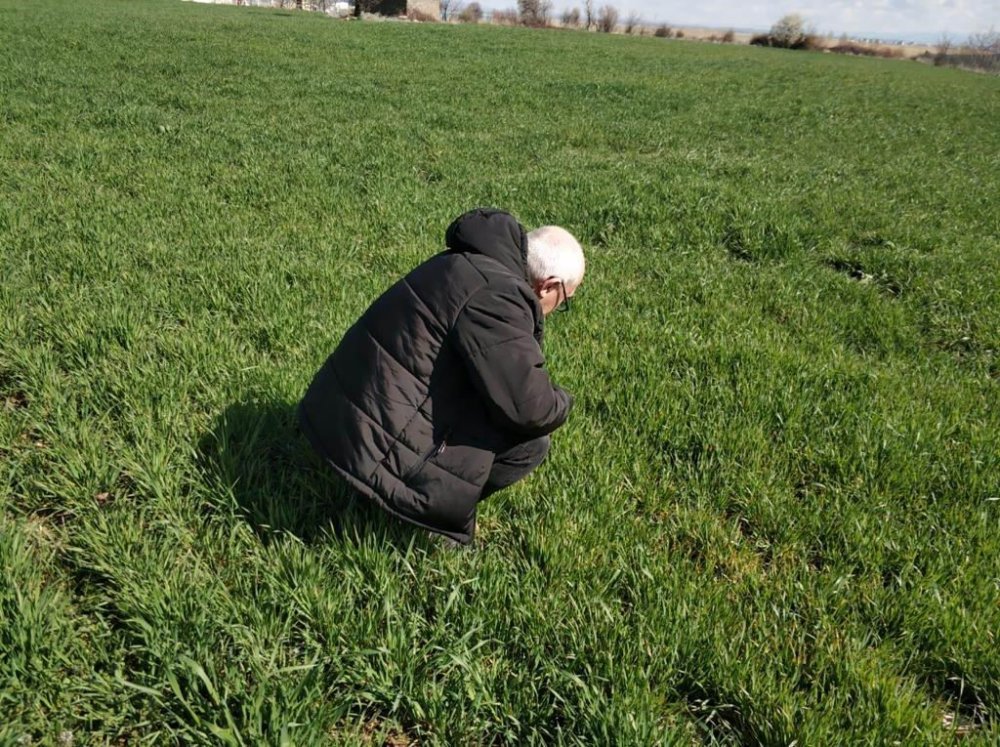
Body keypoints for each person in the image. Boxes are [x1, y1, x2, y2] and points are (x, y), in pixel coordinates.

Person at [298, 208, 584, 546]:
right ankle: (425, 516)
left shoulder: (464, 262)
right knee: (532, 444)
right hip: (361, 440)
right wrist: (565, 400)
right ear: (548, 286)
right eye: (564, 301)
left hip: (336, 412)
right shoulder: (500, 296)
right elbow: (531, 408)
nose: (557, 309)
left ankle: (399, 486)